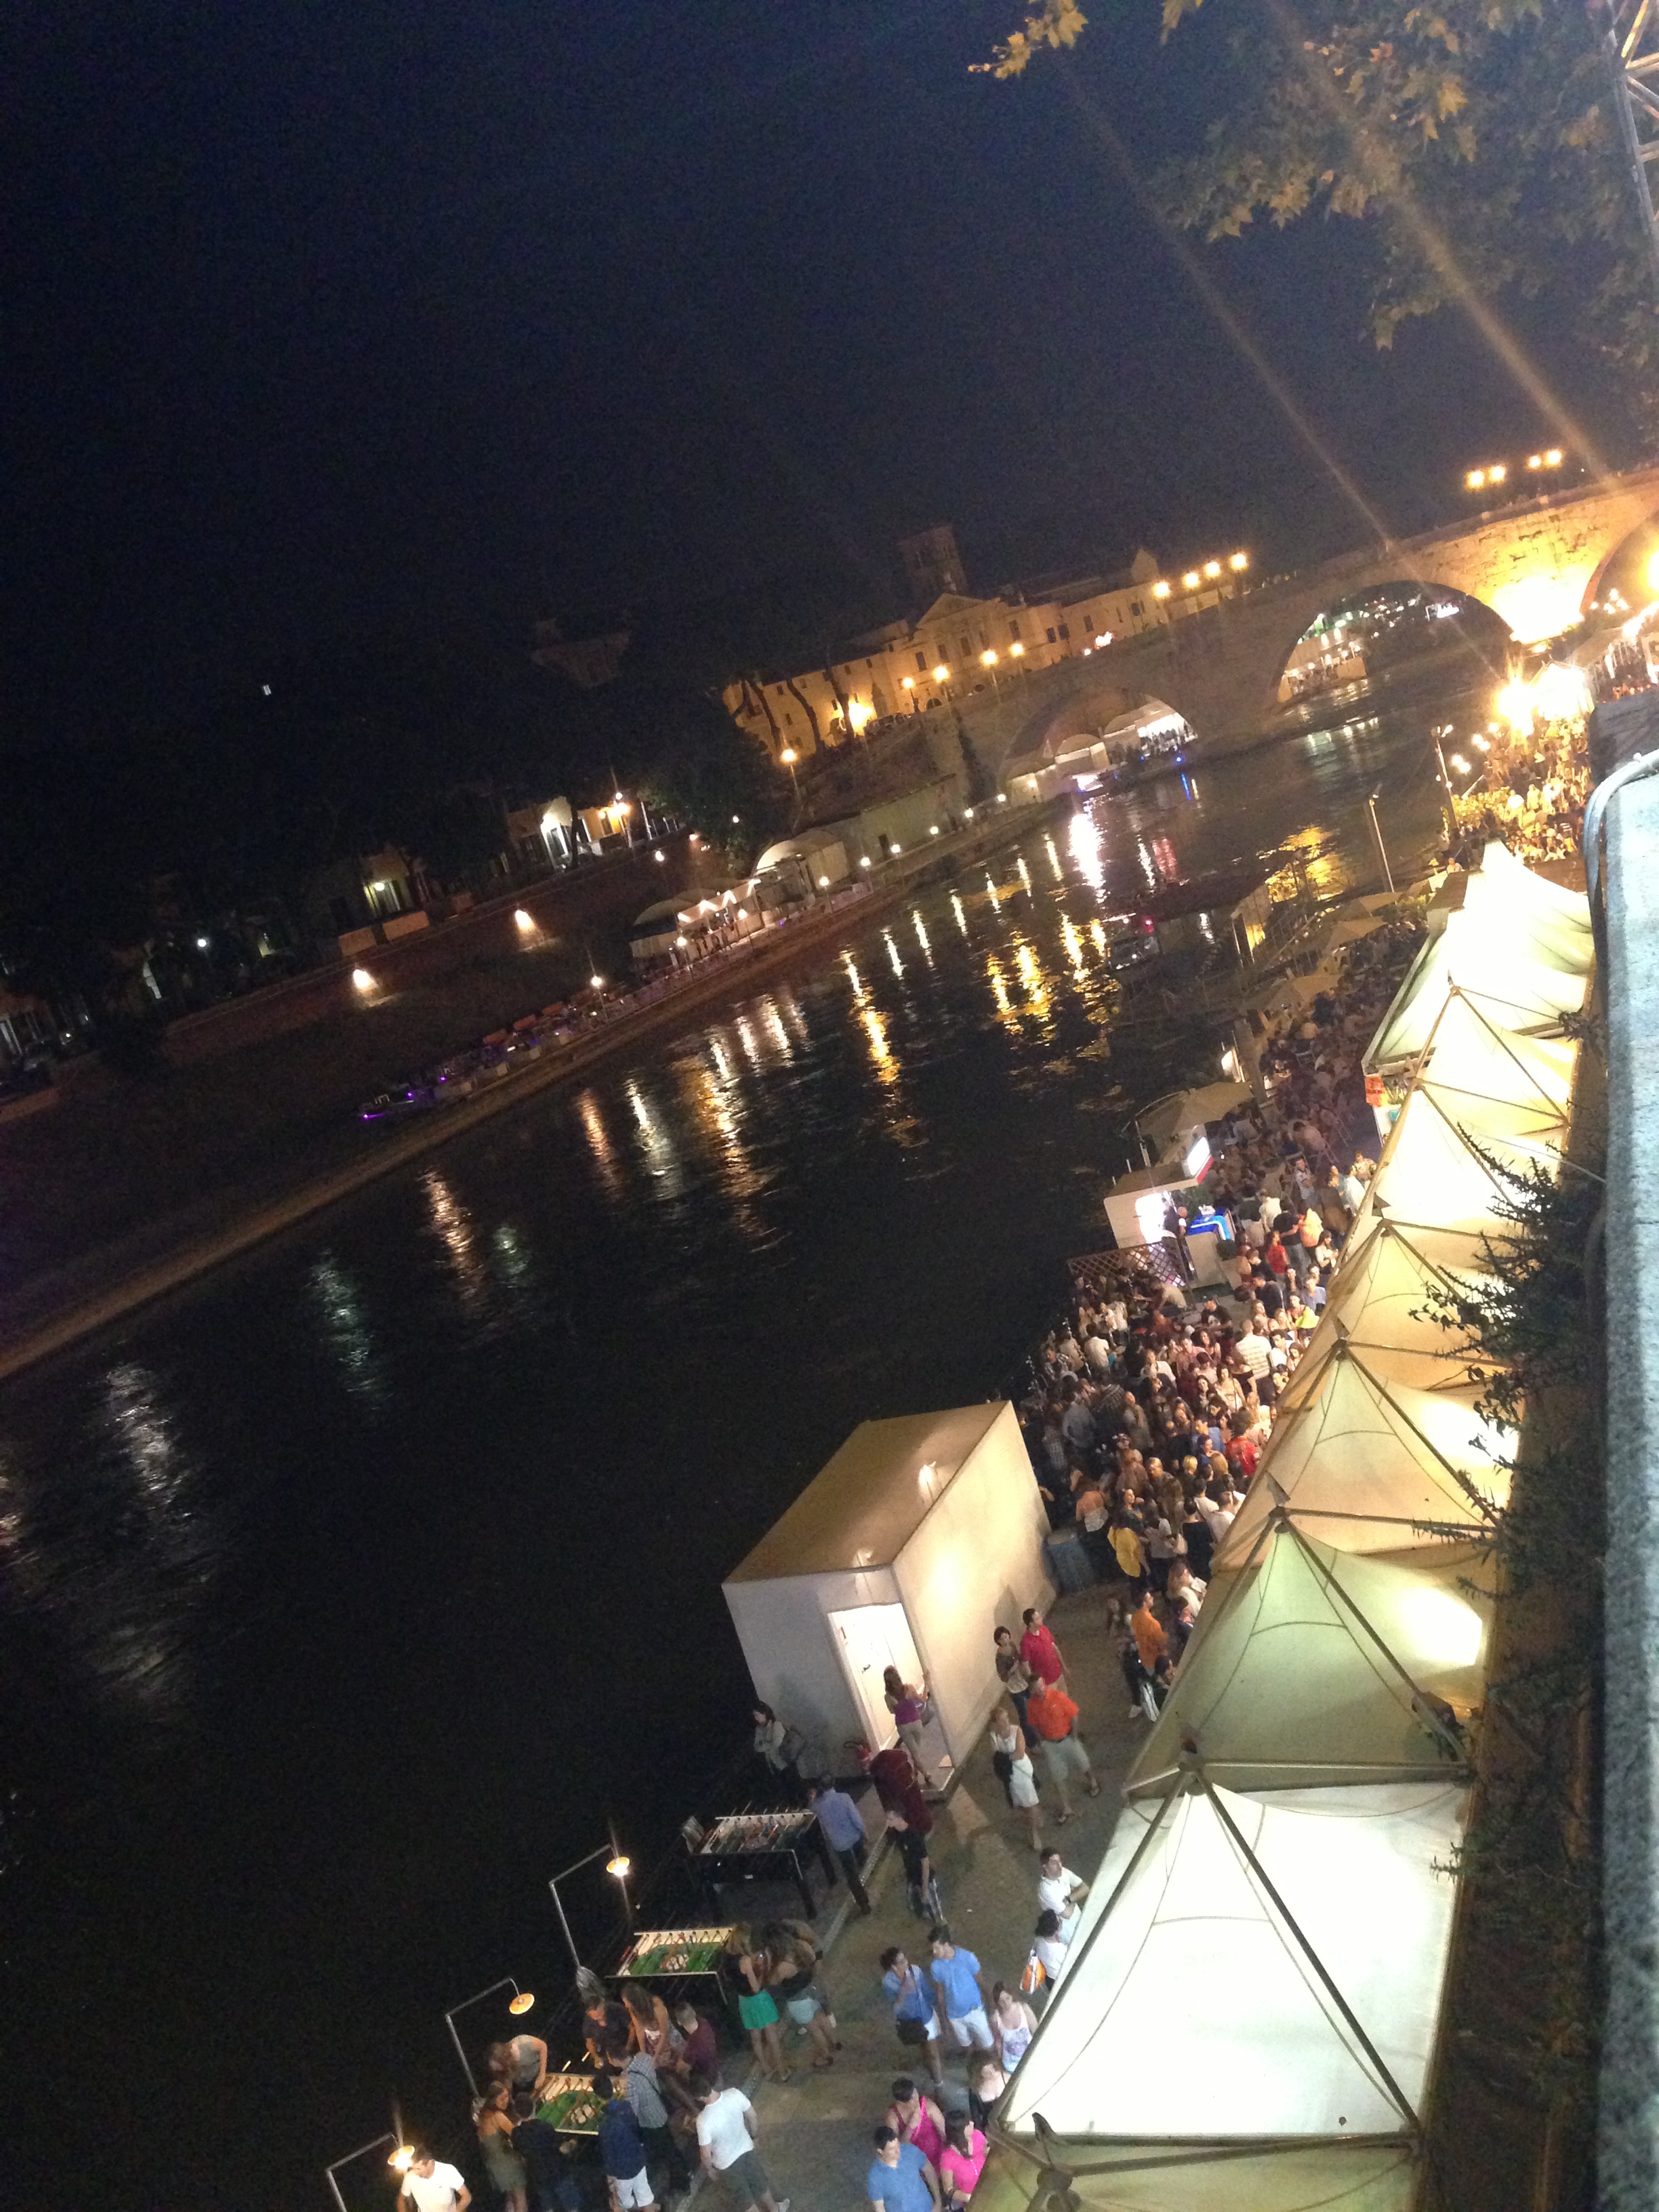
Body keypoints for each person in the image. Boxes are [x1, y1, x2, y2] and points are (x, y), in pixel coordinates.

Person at [693, 2074, 790, 2212]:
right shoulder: (734, 2094)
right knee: (760, 2183)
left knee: (744, 2199)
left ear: (698, 2097)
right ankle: (775, 2209)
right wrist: (754, 2136)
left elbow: (706, 2154)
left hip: (726, 2164)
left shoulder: (703, 2121)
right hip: (746, 2148)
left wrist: (709, 2169)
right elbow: (752, 2116)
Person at [611, 2040, 691, 2199]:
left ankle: (682, 2182)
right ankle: (685, 2169)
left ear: (615, 2060)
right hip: (660, 2108)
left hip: (651, 2121)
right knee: (671, 2145)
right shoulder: (644, 2057)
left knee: (667, 2151)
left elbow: (633, 2111)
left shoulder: (629, 2080)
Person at [1023, 1675, 1099, 1820]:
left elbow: (1074, 1714)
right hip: (1051, 1745)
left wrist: (1074, 1736)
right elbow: (1034, 1724)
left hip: (1067, 1738)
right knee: (1058, 1777)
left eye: (1041, 1685)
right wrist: (1043, 1741)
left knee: (1083, 1763)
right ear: (1031, 1690)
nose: (1040, 1689)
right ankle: (1067, 1808)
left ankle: (1093, 1781)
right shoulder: (1032, 1706)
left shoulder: (1058, 1697)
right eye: (1036, 1688)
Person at [765, 1922, 839, 2069]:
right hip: (812, 1989)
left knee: (814, 2029)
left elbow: (772, 1982)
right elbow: (813, 1960)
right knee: (822, 2018)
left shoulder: (782, 1966)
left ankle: (826, 2056)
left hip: (798, 1999)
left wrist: (768, 1961)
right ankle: (834, 2043)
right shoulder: (802, 1946)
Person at [880, 1944, 947, 2088]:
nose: (907, 1963)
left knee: (932, 2052)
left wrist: (938, 2005)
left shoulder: (915, 1971)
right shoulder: (888, 1983)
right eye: (902, 1961)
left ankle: (938, 2082)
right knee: (923, 2047)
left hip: (926, 2016)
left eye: (905, 1959)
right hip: (910, 2022)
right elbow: (896, 2008)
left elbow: (926, 1990)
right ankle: (931, 2070)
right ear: (893, 1967)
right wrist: (903, 1993)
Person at [729, 1929, 790, 2083]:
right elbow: (755, 1988)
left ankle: (766, 2069)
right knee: (772, 2035)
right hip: (758, 2000)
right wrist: (762, 1972)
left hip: (744, 2001)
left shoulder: (728, 1958)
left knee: (755, 2037)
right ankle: (782, 2070)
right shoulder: (745, 1961)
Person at [807, 1777, 871, 1912]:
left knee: (850, 1874)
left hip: (839, 1843)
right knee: (861, 1856)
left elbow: (811, 1810)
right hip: (854, 1835)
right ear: (834, 1783)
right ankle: (864, 1870)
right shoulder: (844, 1798)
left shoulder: (818, 1805)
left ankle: (863, 1904)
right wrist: (864, 1832)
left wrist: (812, 1798)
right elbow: (856, 1818)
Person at [928, 1923, 993, 2052]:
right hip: (955, 2016)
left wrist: (990, 2003)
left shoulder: (967, 1958)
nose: (934, 1952)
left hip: (975, 2010)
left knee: (988, 2045)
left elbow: (981, 1982)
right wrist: (944, 2018)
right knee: (966, 2046)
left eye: (937, 1948)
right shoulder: (936, 1966)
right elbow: (941, 1992)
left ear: (946, 1945)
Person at [596, 2073, 655, 2212]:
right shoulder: (626, 2106)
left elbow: (608, 2154)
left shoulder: (605, 2126)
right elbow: (637, 2129)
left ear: (597, 2096)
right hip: (638, 2159)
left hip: (623, 2172)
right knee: (645, 2197)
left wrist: (610, 2177)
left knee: (624, 2202)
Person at [989, 1702, 1042, 1851]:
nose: (1006, 1722)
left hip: (1022, 1772)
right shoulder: (993, 1736)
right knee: (1021, 1803)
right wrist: (1005, 1759)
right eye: (1002, 1720)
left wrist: (1005, 1759)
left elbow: (1019, 1753)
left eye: (1006, 1718)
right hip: (1010, 1775)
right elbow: (995, 1757)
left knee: (1029, 1803)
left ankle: (1034, 1834)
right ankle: (1036, 1816)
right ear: (996, 1723)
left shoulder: (1016, 1730)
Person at [476, 2080, 529, 2212]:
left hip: (495, 2166)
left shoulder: (482, 2117)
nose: (506, 2100)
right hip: (508, 2163)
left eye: (507, 2096)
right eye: (502, 2098)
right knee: (520, 2196)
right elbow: (517, 2135)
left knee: (510, 2198)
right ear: (493, 2099)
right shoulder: (498, 2116)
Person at [506, 2096, 565, 2212]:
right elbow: (559, 2146)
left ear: (517, 2113)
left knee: (548, 2206)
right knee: (568, 2203)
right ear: (534, 2108)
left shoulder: (517, 2133)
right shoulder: (546, 2126)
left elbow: (519, 2151)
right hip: (556, 2169)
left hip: (537, 2174)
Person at [884, 1667, 937, 1789]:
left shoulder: (888, 1697)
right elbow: (923, 1699)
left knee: (915, 1753)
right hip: (916, 1721)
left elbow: (892, 1711)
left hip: (903, 1726)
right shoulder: (908, 1688)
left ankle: (918, 1774)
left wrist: (899, 1706)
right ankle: (925, 1775)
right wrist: (927, 1683)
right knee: (916, 1751)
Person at [867, 2127, 941, 2212]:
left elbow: (929, 2171)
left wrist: (938, 2201)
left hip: (927, 2208)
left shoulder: (910, 2151)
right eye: (892, 2149)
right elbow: (879, 2208)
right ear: (880, 2151)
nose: (898, 2151)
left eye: (898, 2145)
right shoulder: (875, 2176)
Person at [886, 1807, 939, 1919]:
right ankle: (926, 1914)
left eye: (890, 1819)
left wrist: (925, 1889)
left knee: (936, 1913)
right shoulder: (898, 1834)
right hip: (913, 1878)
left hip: (924, 1879)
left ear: (899, 1818)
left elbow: (925, 1862)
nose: (887, 1822)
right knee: (915, 1905)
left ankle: (938, 1923)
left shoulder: (914, 1835)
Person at [885, 2076, 947, 2169]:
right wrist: (910, 2128)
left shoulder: (928, 2106)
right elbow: (897, 2149)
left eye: (916, 2094)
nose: (917, 2099)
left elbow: (943, 2131)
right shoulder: (893, 2117)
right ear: (901, 2103)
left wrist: (945, 2156)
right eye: (912, 2099)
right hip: (913, 2161)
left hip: (936, 2156)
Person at [579, 1967, 632, 2068]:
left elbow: (633, 2028)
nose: (600, 2017)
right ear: (589, 2014)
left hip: (626, 2049)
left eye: (601, 2013)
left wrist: (628, 2048)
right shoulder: (588, 2022)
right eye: (596, 2016)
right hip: (607, 2058)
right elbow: (589, 2042)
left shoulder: (615, 2009)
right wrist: (596, 2058)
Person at [938, 2112, 989, 2210]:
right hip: (972, 2201)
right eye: (968, 2124)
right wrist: (968, 2197)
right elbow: (948, 2189)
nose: (972, 2124)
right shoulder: (947, 2157)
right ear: (959, 2132)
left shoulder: (978, 2135)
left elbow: (989, 2151)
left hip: (990, 2186)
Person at [752, 1704, 804, 1799]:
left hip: (784, 1761)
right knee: (782, 1788)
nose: (756, 1718)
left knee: (794, 1786)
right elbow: (757, 1747)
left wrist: (764, 1744)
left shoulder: (776, 1725)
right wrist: (768, 1744)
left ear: (765, 1714)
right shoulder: (759, 1729)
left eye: (757, 1715)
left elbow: (776, 1743)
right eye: (755, 1715)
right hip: (772, 1764)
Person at [1036, 1850, 1089, 1941]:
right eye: (1054, 1863)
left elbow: (1086, 1888)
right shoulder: (1045, 1889)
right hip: (1067, 1930)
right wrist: (1075, 1894)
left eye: (1060, 1861)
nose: (1059, 1866)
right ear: (1046, 1867)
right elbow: (1067, 1914)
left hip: (1079, 1917)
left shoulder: (1064, 1872)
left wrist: (1069, 1899)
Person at [993, 1626, 1033, 1734]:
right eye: (1002, 1639)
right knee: (1023, 1712)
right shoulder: (1000, 1657)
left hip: (1022, 1680)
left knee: (1032, 1703)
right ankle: (1026, 1733)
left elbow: (1018, 1657)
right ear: (998, 1641)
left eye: (1006, 1637)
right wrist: (1012, 1670)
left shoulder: (1012, 1645)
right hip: (1014, 1687)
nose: (1005, 1640)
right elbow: (1003, 1677)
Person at [398, 2154, 471, 2212]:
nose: (416, 2173)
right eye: (413, 2168)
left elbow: (466, 2197)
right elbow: (401, 2200)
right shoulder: (410, 2177)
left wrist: (457, 2210)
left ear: (430, 2163)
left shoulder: (448, 2171)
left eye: (418, 2169)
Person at [990, 1982, 1038, 2070]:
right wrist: (1000, 2059)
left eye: (1007, 1998)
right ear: (997, 2003)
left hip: (1031, 2057)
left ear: (1012, 1996)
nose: (1006, 2003)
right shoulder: (995, 2019)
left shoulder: (1024, 2009)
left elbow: (1036, 2031)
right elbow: (998, 2041)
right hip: (1011, 2064)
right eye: (1001, 2001)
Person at [1019, 1607, 1065, 1689]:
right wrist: (1035, 1684)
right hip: (1046, 1682)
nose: (1041, 1619)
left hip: (1057, 1673)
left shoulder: (1044, 1629)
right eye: (1037, 1619)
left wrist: (1063, 1665)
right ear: (1031, 1624)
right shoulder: (1026, 1642)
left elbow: (1054, 1647)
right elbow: (1026, 1665)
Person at [1131, 1588, 1168, 1675]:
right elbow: (1162, 1644)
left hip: (1145, 1661)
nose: (1152, 1598)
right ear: (1144, 1603)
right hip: (1158, 1661)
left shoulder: (1134, 1619)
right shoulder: (1152, 1623)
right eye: (1150, 1598)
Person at [968, 2056, 1006, 2129]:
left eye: (993, 2068)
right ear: (978, 2074)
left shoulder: (1007, 2078)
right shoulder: (975, 2089)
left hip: (1009, 2124)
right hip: (989, 2127)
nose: (992, 2073)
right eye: (987, 2072)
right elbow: (976, 2117)